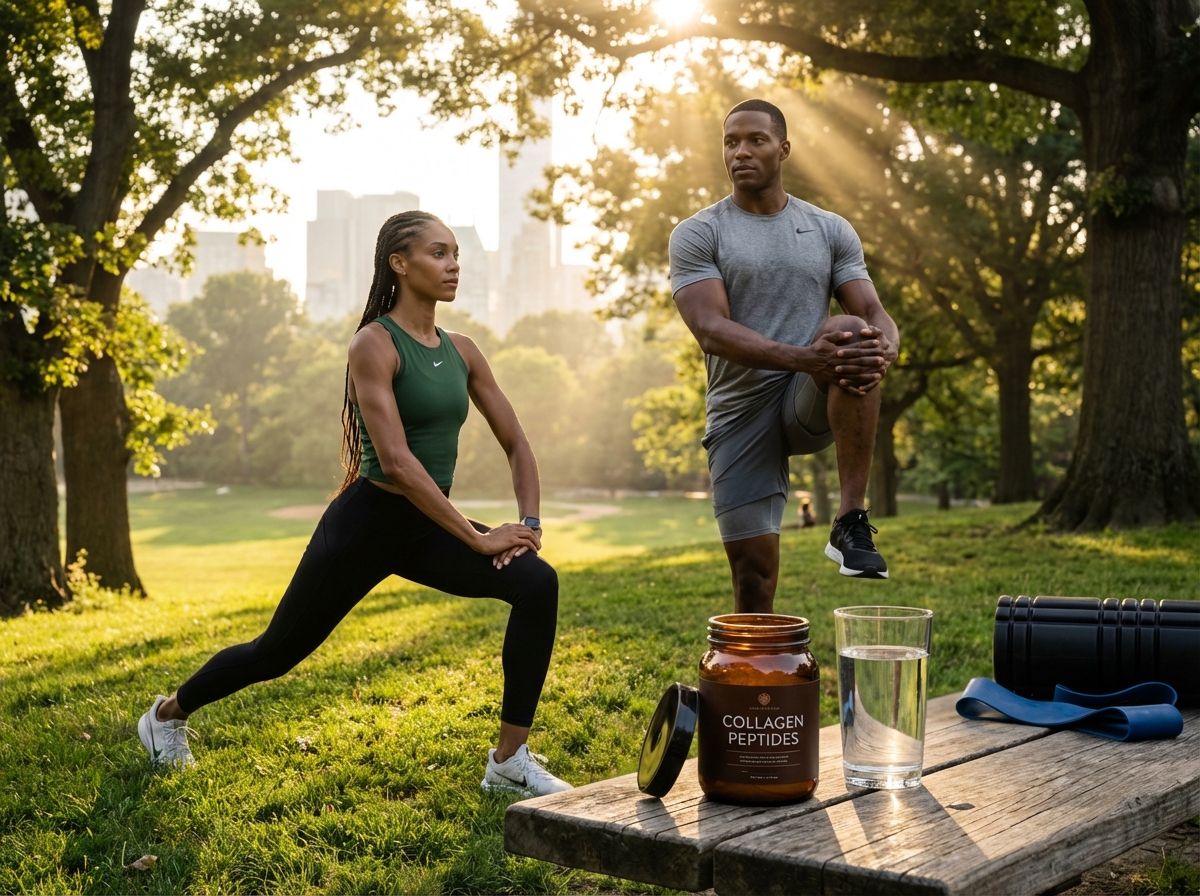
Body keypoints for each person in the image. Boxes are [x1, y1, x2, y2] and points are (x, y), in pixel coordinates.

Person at [137, 211, 572, 797]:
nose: (453, 266)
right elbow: (396, 463)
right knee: (275, 654)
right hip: (366, 523)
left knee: (535, 583)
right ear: (400, 262)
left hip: (425, 524)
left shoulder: (463, 350)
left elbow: (518, 444)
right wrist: (477, 537)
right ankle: (166, 714)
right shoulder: (374, 343)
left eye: (455, 254)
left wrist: (528, 523)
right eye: (438, 254)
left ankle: (509, 761)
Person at [669, 99, 900, 611]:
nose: (740, 152)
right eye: (731, 142)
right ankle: (756, 686)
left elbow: (873, 311)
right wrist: (805, 358)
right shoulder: (699, 232)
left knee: (852, 332)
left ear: (784, 149)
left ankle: (849, 521)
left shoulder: (828, 229)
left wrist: (886, 346)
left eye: (756, 140)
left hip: (809, 398)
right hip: (740, 410)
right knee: (753, 579)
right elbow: (711, 330)